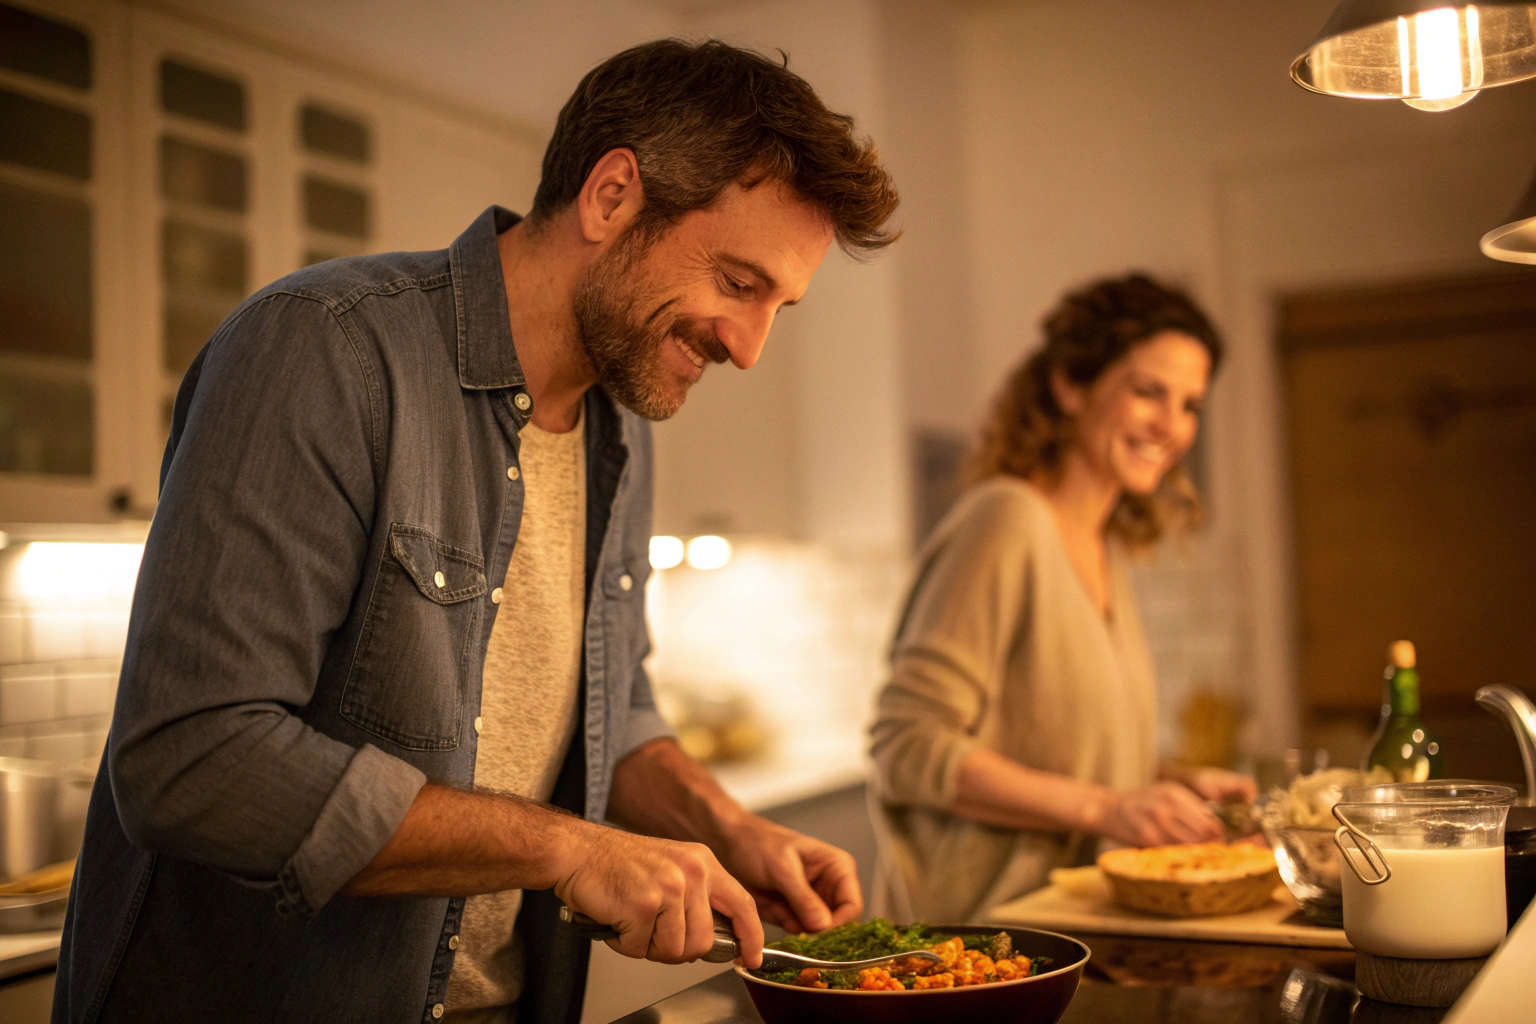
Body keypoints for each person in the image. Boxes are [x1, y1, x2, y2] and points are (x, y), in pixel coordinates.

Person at [54, 40, 899, 1024]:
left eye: (779, 308)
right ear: (613, 194)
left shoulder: (621, 422)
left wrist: (729, 828)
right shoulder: (322, 351)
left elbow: (607, 708)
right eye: (738, 283)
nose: (750, 348)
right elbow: (191, 760)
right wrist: (566, 844)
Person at [867, 274, 1255, 924]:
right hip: (973, 955)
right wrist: (1109, 809)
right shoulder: (1007, 520)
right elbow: (905, 747)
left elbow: (1053, 750)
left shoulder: (1103, 548)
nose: (1173, 425)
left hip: (1066, 936)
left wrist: (1165, 784)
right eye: (1148, 391)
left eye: (1190, 404)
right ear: (1070, 385)